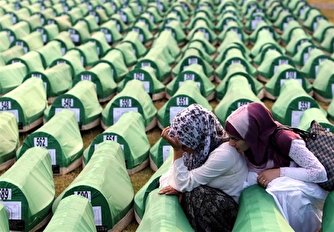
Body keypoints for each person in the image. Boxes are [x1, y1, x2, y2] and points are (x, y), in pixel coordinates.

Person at [224, 102, 328, 232]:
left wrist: (279, 172)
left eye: (235, 139)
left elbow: (319, 173)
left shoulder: (285, 139)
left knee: (281, 190)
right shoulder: (251, 145)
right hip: (289, 184)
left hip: (307, 187)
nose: (231, 143)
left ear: (250, 134)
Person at [158, 104, 248, 232]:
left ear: (198, 137)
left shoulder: (224, 154)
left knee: (197, 194)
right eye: (180, 146)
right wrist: (179, 186)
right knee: (191, 190)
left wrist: (177, 150)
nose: (184, 151)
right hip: (217, 200)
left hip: (229, 210)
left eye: (184, 146)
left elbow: (182, 183)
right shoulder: (202, 149)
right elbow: (169, 177)